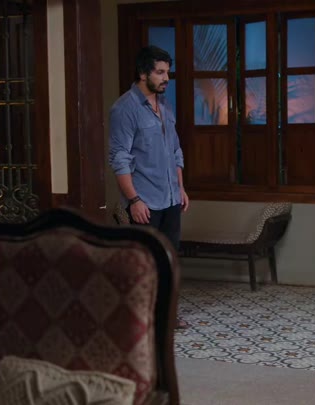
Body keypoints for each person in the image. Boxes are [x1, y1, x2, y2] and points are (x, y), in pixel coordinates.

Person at [109, 45, 190, 328]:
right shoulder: (124, 109)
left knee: (169, 258)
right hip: (145, 200)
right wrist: (133, 200)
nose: (166, 78)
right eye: (160, 72)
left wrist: (180, 188)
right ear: (143, 73)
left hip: (170, 197)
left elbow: (175, 151)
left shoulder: (165, 106)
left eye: (167, 72)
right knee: (144, 261)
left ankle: (167, 314)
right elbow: (119, 158)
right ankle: (141, 317)